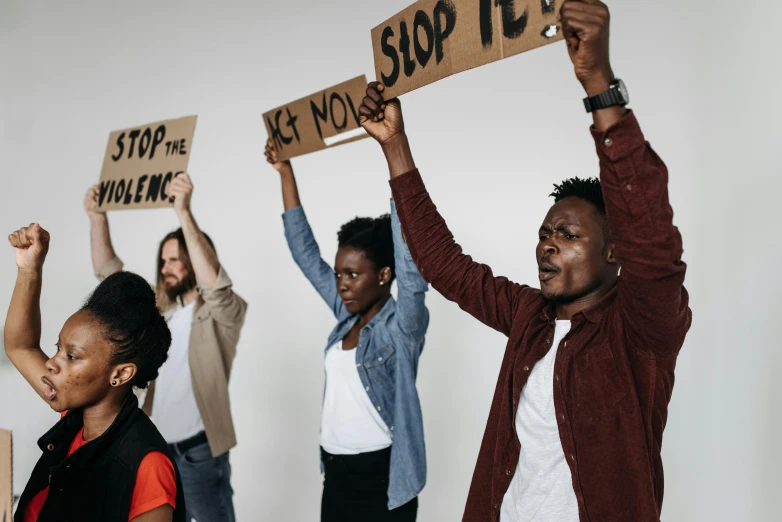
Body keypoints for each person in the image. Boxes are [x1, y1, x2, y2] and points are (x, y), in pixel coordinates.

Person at [357, 1, 692, 521]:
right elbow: (445, 267)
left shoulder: (641, 329)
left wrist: (599, 85)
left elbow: (652, 239)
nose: (546, 244)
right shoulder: (528, 316)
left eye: (568, 234)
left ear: (613, 249)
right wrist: (395, 145)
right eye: (544, 234)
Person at [265, 140, 429, 521]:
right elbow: (305, 253)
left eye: (353, 274)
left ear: (384, 275)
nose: (341, 284)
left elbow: (413, 276)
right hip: (336, 473)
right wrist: (285, 172)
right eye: (339, 273)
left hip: (382, 476)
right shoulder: (345, 315)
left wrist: (397, 182)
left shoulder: (402, 327)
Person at [83, 173, 247, 522]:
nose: (165, 267)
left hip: (198, 453)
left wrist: (183, 212)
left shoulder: (223, 315)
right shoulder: (160, 313)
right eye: (164, 260)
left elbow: (216, 286)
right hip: (153, 451)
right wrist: (98, 218)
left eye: (175, 259)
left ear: (196, 258)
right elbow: (109, 276)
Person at [5, 223, 186, 522]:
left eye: (72, 356)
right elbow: (20, 346)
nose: (52, 362)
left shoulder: (147, 464)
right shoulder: (75, 418)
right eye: (58, 347)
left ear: (121, 373)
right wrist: (28, 270)